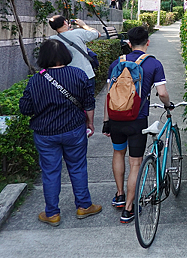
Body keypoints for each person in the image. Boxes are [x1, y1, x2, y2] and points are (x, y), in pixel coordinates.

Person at [19, 39, 102, 227]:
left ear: (43, 58)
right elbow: (89, 102)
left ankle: (52, 213)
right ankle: (84, 206)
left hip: (45, 134)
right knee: (78, 167)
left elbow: (25, 108)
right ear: (66, 55)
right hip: (74, 130)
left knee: (50, 172)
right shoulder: (78, 75)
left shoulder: (36, 80)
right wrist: (90, 123)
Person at [102, 26, 171, 223]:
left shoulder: (117, 62)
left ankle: (119, 195)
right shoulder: (154, 64)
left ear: (129, 43)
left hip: (115, 119)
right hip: (137, 120)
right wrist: (168, 105)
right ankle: (129, 209)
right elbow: (163, 93)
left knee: (118, 153)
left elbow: (109, 94)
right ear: (147, 42)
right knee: (135, 163)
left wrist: (106, 121)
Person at [49, 15, 100, 97]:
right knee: (88, 103)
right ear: (65, 23)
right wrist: (84, 25)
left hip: (66, 78)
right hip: (86, 75)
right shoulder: (78, 33)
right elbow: (97, 34)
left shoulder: (52, 40)